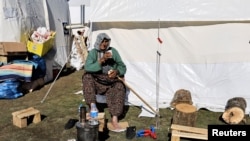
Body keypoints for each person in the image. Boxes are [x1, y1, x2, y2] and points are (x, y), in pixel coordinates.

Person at [82, 33, 127, 132]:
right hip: (97, 81)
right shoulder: (93, 53)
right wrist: (101, 60)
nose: (104, 44)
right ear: (98, 41)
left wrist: (117, 71)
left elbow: (122, 66)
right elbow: (88, 67)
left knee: (120, 85)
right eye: (102, 41)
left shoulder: (113, 51)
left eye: (106, 41)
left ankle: (115, 118)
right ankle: (93, 107)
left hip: (110, 81)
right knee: (87, 77)